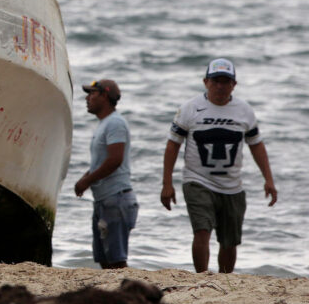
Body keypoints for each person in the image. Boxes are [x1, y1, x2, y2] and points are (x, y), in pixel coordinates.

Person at [161, 58, 278, 273]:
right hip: (197, 180)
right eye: (215, 81)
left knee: (229, 241)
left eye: (226, 82)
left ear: (234, 85)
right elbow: (172, 146)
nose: (220, 86)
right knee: (202, 230)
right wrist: (167, 183)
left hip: (232, 185)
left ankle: (225, 279)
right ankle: (201, 276)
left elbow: (256, 146)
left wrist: (269, 180)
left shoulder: (244, 111)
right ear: (205, 82)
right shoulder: (190, 108)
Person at [74, 79, 138, 269]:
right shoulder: (105, 123)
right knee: (104, 259)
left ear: (104, 96)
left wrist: (87, 181)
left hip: (116, 198)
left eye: (92, 93)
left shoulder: (115, 123)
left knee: (117, 261)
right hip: (104, 199)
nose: (87, 98)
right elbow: (102, 161)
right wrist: (84, 178)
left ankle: (128, 297)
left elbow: (115, 160)